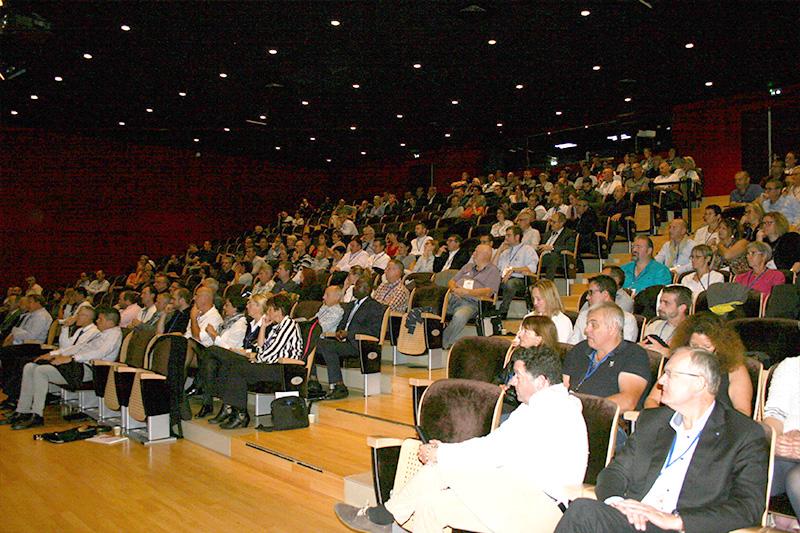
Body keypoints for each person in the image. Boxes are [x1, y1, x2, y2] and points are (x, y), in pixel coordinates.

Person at [335, 345, 588, 533]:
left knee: (441, 468)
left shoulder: (551, 410)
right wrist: (444, 450)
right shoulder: (541, 404)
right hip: (517, 494)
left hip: (539, 509)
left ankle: (386, 516)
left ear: (541, 381)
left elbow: (494, 451)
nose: (512, 382)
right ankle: (388, 519)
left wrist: (442, 454)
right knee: (431, 506)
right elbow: (494, 445)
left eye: (518, 376)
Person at [557, 347, 769, 533]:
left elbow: (749, 507)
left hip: (684, 527)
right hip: (636, 521)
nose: (660, 381)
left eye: (670, 374)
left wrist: (676, 521)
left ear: (699, 383)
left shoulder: (742, 434)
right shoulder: (652, 422)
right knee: (582, 510)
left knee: (583, 512)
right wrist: (618, 503)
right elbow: (615, 472)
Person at [7, 307, 123, 430]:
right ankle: (22, 410)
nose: (97, 321)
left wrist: (72, 358)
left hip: (92, 370)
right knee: (30, 366)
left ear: (110, 322)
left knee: (40, 371)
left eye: (100, 319)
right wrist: (53, 354)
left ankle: (37, 415)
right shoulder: (101, 333)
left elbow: (100, 352)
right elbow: (79, 346)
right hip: (78, 365)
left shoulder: (114, 334)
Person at [208, 294, 303, 430]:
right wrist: (263, 327)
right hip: (270, 365)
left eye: (269, 310)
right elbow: (262, 347)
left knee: (239, 368)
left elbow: (271, 352)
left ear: (278, 310)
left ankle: (240, 414)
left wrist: (256, 357)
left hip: (283, 369)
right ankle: (237, 412)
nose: (268, 313)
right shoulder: (277, 327)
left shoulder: (289, 325)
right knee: (235, 365)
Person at [644, 312, 754, 416]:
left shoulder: (734, 368)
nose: (700, 352)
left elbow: (742, 412)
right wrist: (659, 420)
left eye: (706, 347)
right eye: (694, 346)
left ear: (721, 347)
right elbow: (652, 399)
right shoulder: (678, 364)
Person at [563, 302, 651, 413]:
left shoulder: (634, 355)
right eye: (587, 324)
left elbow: (627, 401)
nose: (586, 330)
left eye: (593, 325)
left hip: (605, 422)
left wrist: (581, 410)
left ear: (613, 328)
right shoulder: (580, 349)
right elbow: (562, 386)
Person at [313, 278, 385, 400]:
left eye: (358, 286)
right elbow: (343, 323)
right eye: (355, 286)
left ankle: (338, 385)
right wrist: (339, 332)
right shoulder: (351, 305)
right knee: (312, 342)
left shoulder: (375, 307)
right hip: (344, 341)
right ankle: (313, 381)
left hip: (360, 344)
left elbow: (374, 331)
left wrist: (349, 334)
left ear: (367, 289)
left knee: (327, 346)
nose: (355, 288)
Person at [763, 356, 800, 527]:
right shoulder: (790, 366)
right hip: (785, 453)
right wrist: (776, 441)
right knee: (748, 472)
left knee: (797, 481)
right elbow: (774, 417)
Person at [442, 245, 502, 349]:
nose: (473, 253)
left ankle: (441, 343)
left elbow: (488, 292)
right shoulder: (467, 266)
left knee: (460, 316)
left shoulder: (493, 271)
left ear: (485, 255)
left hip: (471, 303)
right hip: (454, 296)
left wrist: (467, 292)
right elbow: (452, 281)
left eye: (476, 251)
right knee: (433, 304)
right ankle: (424, 337)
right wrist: (454, 289)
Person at [568, 275, 639, 344]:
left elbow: (625, 351)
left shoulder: (627, 319)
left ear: (605, 295)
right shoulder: (583, 315)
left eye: (591, 292)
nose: (587, 297)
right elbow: (573, 345)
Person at [495, 226, 539, 319]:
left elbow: (532, 268)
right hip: (503, 278)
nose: (505, 238)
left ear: (517, 237)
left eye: (508, 235)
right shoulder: (505, 251)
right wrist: (499, 251)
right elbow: (494, 267)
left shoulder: (528, 249)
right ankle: (488, 310)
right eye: (505, 235)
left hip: (521, 280)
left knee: (510, 283)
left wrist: (513, 270)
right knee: (488, 280)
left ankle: (503, 311)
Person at [639, 285, 692, 357]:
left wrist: (669, 353)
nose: (660, 307)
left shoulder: (692, 331)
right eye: (661, 302)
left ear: (682, 308)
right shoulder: (654, 325)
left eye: (666, 303)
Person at [537, 212, 577, 280]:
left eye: (554, 222)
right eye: (550, 221)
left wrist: (552, 248)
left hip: (559, 258)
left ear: (561, 223)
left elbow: (570, 247)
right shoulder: (547, 234)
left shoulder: (569, 234)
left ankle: (548, 283)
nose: (551, 224)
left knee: (552, 257)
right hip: (542, 256)